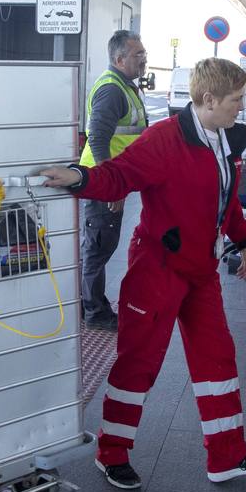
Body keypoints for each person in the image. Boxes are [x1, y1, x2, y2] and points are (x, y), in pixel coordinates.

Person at [42, 58, 246, 489]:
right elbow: (118, 176)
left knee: (217, 359)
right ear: (209, 100)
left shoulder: (223, 139)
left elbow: (226, 200)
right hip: (156, 269)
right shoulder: (164, 140)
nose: (242, 107)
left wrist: (243, 243)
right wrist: (77, 177)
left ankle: (227, 456)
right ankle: (111, 453)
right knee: (139, 363)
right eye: (237, 99)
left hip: (200, 272)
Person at [77, 30, 149, 331]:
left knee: (102, 245)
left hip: (110, 180)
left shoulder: (124, 86)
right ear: (119, 59)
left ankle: (91, 306)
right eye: (138, 55)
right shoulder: (112, 90)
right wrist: (110, 187)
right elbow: (97, 138)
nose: (144, 59)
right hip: (101, 183)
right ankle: (95, 313)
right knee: (97, 248)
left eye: (144, 53)